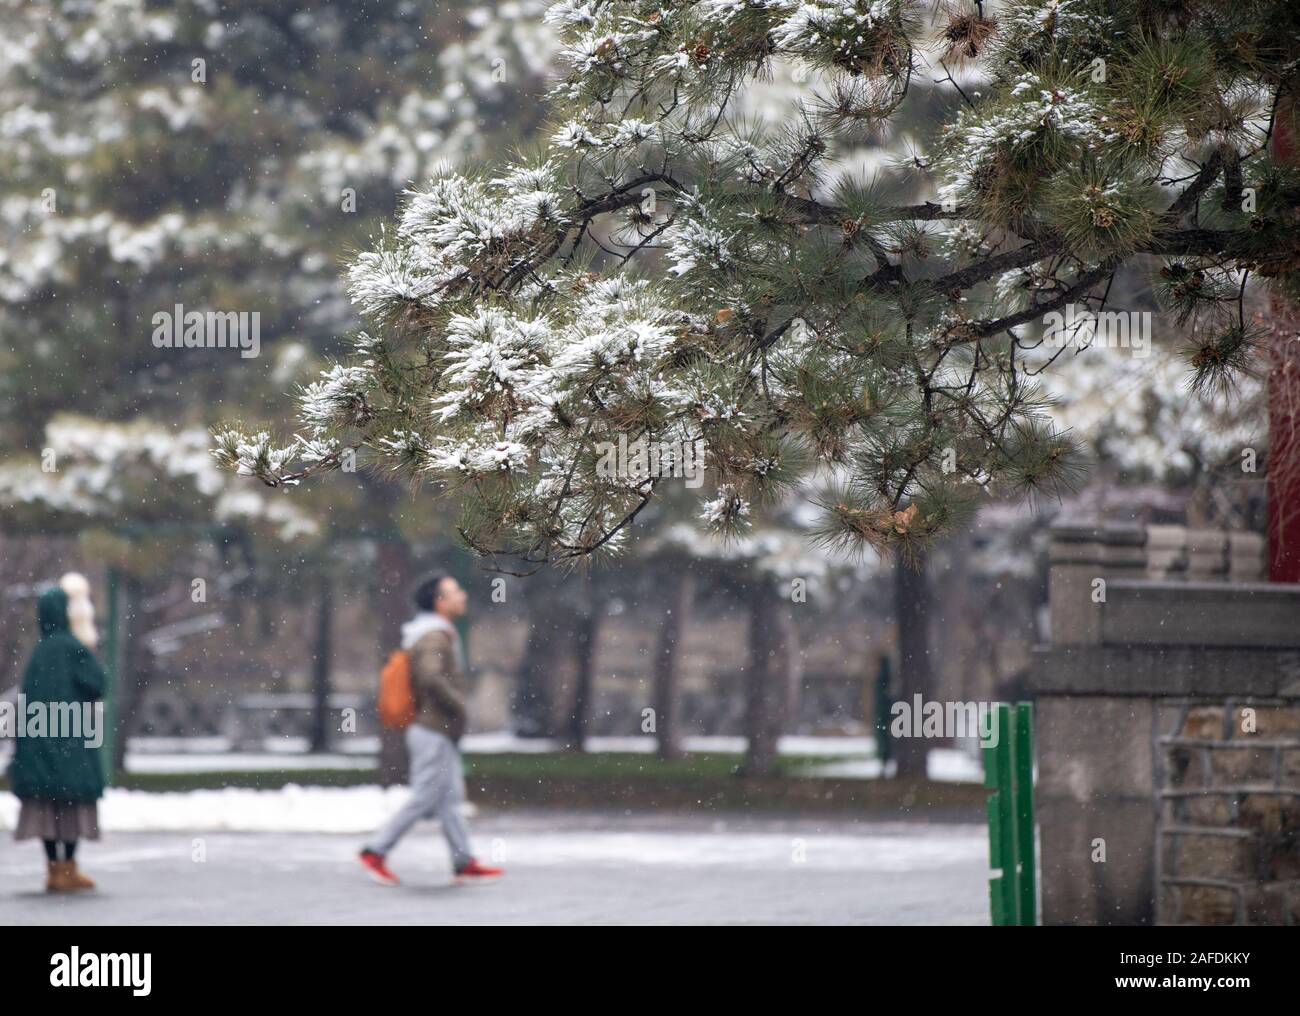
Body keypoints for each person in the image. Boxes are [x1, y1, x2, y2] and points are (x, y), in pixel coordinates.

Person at [358, 573, 503, 886]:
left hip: (438, 731)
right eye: (455, 591)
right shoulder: (434, 635)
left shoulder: (435, 633)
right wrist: (460, 705)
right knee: (424, 797)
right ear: (440, 602)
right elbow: (430, 677)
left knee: (451, 799)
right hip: (432, 730)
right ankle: (375, 851)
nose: (462, 596)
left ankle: (463, 861)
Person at [8, 575, 106, 892]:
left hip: (40, 740)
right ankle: (70, 867)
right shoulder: (73, 649)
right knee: (72, 805)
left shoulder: (39, 653)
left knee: (47, 806)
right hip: (71, 739)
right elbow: (96, 685)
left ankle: (53, 869)